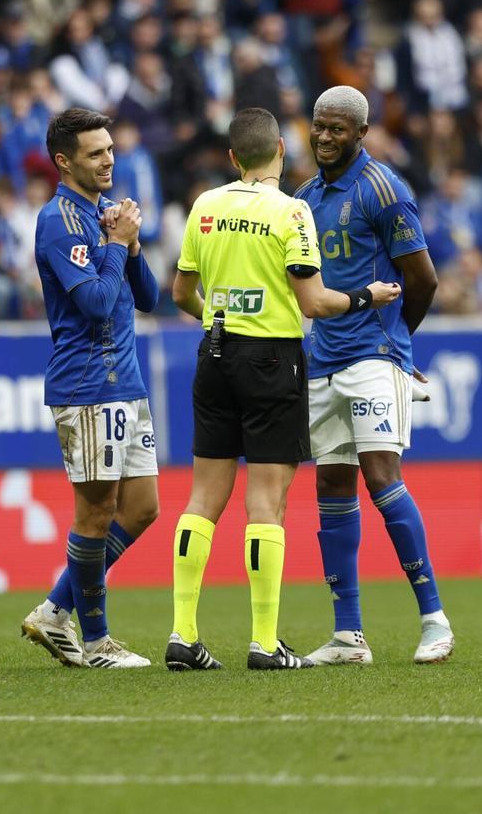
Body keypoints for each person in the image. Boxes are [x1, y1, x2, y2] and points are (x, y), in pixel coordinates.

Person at [166, 107, 400, 671]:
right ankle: (263, 642)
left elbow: (179, 293)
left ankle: (182, 636)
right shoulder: (292, 212)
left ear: (231, 157)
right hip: (272, 359)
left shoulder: (205, 205)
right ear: (280, 150)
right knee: (266, 503)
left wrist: (217, 320)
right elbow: (316, 303)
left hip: (215, 352)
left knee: (202, 500)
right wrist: (368, 296)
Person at [295, 85, 455, 666]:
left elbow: (425, 279)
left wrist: (397, 343)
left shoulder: (385, 190)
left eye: (338, 129)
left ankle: (434, 619)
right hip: (324, 357)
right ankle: (348, 636)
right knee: (330, 485)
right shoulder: (305, 196)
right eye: (319, 126)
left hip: (372, 355)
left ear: (361, 133)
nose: (325, 137)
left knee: (381, 474)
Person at [20, 108, 160, 669]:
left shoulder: (105, 215)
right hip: (88, 385)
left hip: (127, 381)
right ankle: (98, 641)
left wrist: (130, 243)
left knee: (144, 508)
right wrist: (114, 242)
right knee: (96, 513)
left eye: (110, 149)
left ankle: (56, 608)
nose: (108, 159)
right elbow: (96, 303)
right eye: (95, 152)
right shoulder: (58, 221)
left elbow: (147, 296)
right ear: (64, 161)